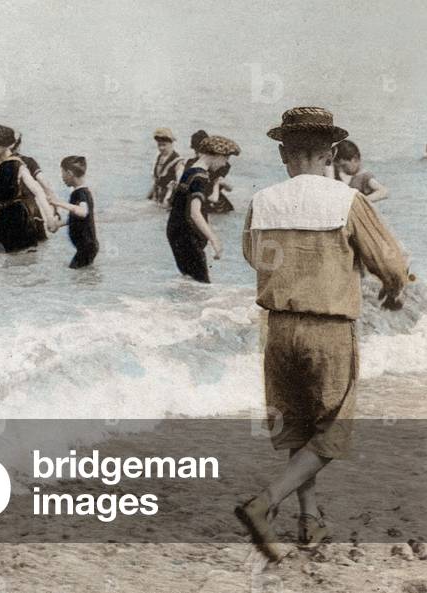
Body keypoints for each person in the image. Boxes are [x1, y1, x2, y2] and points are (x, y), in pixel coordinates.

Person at [237, 106, 409, 561]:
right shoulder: (347, 201)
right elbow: (390, 262)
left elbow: (253, 256)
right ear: (330, 153)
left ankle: (309, 519)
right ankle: (264, 502)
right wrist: (393, 287)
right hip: (328, 328)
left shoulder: (262, 201)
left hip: (278, 329)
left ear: (283, 153)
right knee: (332, 428)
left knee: (297, 423)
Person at [165, 135, 239, 283]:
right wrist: (214, 239)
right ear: (217, 155)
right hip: (187, 236)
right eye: (226, 159)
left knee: (189, 279)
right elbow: (195, 213)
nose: (225, 164)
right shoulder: (201, 177)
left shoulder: (190, 171)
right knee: (202, 283)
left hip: (175, 231)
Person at [0, 124, 57, 253]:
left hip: (17, 217)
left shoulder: (19, 165)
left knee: (18, 254)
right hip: (3, 215)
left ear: (3, 145)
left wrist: (50, 217)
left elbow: (38, 190)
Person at [51, 155, 99, 269]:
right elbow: (77, 217)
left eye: (62, 173)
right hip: (88, 246)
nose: (62, 177)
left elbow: (83, 212)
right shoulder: (83, 192)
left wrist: (59, 203)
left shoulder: (80, 193)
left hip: (86, 247)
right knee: (83, 273)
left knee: (75, 272)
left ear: (69, 173)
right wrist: (60, 224)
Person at [187, 130, 235, 214]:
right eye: (196, 151)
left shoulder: (222, 165)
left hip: (213, 200)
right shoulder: (191, 163)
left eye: (200, 151)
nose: (198, 154)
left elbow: (227, 187)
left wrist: (221, 183)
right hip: (204, 199)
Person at [146, 128, 185, 207]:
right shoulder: (159, 157)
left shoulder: (178, 162)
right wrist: (148, 197)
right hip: (157, 199)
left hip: (168, 202)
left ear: (171, 143)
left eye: (164, 145)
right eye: (159, 145)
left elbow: (180, 184)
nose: (161, 148)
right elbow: (157, 181)